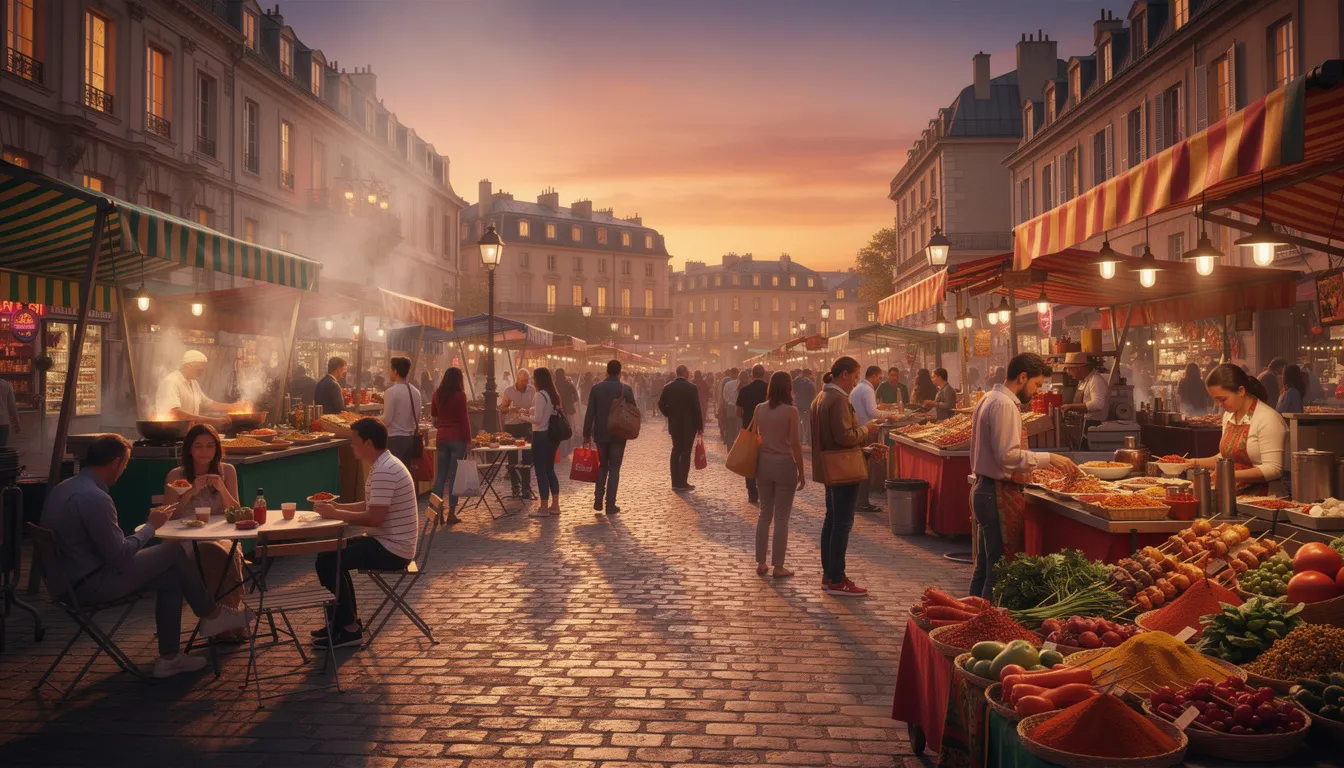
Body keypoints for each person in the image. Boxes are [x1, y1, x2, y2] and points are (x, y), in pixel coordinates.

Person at [40, 434, 250, 677]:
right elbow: (119, 556)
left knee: (171, 575)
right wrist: (151, 526)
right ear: (117, 463)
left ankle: (170, 659)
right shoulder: (95, 498)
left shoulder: (64, 488)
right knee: (171, 550)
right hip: (91, 584)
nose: (123, 471)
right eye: (126, 465)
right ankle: (212, 614)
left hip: (66, 583)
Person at [969, 353, 1079, 598]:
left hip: (985, 489)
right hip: (995, 492)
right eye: (1037, 384)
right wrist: (1048, 458)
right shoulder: (1004, 405)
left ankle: (971, 617)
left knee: (985, 567)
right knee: (997, 570)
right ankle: (986, 622)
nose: (1037, 391)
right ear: (1022, 377)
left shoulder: (989, 397)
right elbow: (1007, 456)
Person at [311, 418, 420, 649]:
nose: (352, 446)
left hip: (393, 549)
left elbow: (374, 518)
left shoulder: (384, 470)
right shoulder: (383, 464)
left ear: (368, 443)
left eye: (354, 441)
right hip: (388, 542)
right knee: (328, 555)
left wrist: (336, 513)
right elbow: (370, 506)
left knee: (329, 560)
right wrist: (335, 509)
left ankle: (348, 628)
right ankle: (344, 622)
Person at [162, 424, 247, 641]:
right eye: (198, 446)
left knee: (228, 552)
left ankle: (228, 616)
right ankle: (226, 620)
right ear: (189, 449)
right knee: (209, 553)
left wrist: (222, 489)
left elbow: (236, 512)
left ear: (217, 449)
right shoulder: (176, 475)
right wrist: (190, 492)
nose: (204, 452)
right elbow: (169, 516)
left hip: (220, 533)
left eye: (210, 446)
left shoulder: (227, 471)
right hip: (186, 536)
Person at [811, 358, 880, 597]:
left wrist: (864, 450)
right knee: (842, 523)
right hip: (842, 469)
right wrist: (866, 430)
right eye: (854, 376)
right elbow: (844, 436)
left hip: (831, 467)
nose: (855, 382)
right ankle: (837, 577)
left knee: (832, 521)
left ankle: (830, 574)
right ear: (843, 374)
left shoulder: (821, 397)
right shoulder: (838, 399)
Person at [1188, 363, 1288, 497]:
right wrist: (1191, 462)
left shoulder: (1268, 418)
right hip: (1233, 495)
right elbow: (1226, 457)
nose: (1219, 405)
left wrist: (1228, 475)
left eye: (1223, 399)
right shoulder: (1229, 415)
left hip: (1264, 499)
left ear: (1241, 391)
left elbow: (1273, 469)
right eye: (1215, 400)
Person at [753, 371, 805, 579]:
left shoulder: (759, 408)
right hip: (784, 465)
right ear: (788, 388)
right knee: (782, 517)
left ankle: (761, 562)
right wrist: (801, 471)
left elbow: (757, 437)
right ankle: (779, 566)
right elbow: (795, 444)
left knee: (764, 514)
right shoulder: (791, 411)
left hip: (763, 464)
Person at [583, 359, 637, 515]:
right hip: (619, 433)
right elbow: (633, 411)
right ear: (620, 372)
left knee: (602, 466)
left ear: (606, 371)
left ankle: (598, 500)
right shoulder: (625, 389)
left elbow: (590, 412)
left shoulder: (596, 388)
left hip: (600, 434)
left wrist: (586, 433)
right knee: (615, 468)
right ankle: (610, 504)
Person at [155, 350, 245, 429]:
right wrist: (215, 421)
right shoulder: (171, 382)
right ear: (189, 366)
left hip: (189, 433)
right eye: (199, 370)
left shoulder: (193, 382)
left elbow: (207, 403)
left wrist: (232, 407)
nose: (201, 374)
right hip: (172, 434)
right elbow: (175, 413)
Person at [430, 367, 470, 520]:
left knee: (440, 475)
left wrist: (442, 428)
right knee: (454, 476)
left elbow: (434, 419)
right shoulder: (460, 396)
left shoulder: (436, 395)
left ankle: (436, 510)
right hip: (457, 439)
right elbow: (464, 419)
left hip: (442, 437)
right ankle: (451, 513)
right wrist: (468, 440)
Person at [524, 367, 563, 518]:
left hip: (540, 436)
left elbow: (539, 420)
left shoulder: (540, 395)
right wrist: (529, 411)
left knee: (541, 472)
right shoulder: (553, 394)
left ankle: (544, 507)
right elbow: (545, 412)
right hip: (552, 437)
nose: (533, 380)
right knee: (550, 470)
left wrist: (523, 418)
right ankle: (555, 505)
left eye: (534, 377)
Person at [658, 365, 703, 491]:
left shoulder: (668, 387)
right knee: (686, 452)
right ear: (685, 373)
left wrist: (669, 414)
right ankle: (682, 481)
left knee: (676, 450)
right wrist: (700, 426)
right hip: (689, 425)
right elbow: (696, 408)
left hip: (675, 424)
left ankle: (675, 481)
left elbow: (660, 403)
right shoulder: (691, 387)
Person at [849, 365, 886, 514]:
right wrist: (889, 415)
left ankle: (859, 500)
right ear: (873, 376)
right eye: (879, 377)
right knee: (865, 467)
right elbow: (872, 411)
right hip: (865, 431)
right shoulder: (868, 389)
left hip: (858, 430)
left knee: (861, 466)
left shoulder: (858, 388)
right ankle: (863, 502)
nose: (879, 381)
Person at [499, 370, 536, 499]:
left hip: (526, 425)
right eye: (522, 381)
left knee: (527, 457)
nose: (524, 383)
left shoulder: (532, 390)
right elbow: (502, 409)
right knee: (512, 458)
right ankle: (515, 486)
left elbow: (535, 407)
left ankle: (526, 487)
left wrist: (529, 412)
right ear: (517, 379)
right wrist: (509, 409)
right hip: (512, 426)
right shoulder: (508, 391)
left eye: (526, 381)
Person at [736, 365, 770, 505]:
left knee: (749, 461)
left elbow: (738, 412)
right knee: (765, 460)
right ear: (764, 374)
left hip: (749, 429)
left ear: (751, 374)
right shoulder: (769, 389)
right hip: (767, 429)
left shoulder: (744, 390)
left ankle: (752, 493)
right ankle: (765, 491)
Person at [381, 356, 422, 468]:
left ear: (395, 371)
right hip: (409, 440)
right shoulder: (416, 392)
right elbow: (418, 417)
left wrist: (374, 421)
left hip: (395, 439)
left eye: (390, 370)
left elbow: (387, 419)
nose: (389, 373)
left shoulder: (391, 392)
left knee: (392, 473)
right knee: (404, 475)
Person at [1061, 352, 1109, 427]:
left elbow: (1098, 404)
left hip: (1093, 425)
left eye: (1070, 369)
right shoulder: (1082, 381)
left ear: (1079, 368)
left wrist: (1070, 407)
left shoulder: (1096, 380)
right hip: (1082, 423)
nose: (1068, 373)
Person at [556, 368, 580, 457]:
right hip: (569, 411)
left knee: (558, 430)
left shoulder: (553, 385)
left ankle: (558, 450)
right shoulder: (569, 385)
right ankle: (567, 450)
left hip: (556, 412)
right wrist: (570, 402)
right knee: (568, 430)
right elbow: (576, 398)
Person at [793, 369, 816, 444]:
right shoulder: (810, 383)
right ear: (808, 374)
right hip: (808, 405)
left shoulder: (796, 381)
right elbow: (813, 394)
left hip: (798, 405)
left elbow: (793, 391)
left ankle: (800, 440)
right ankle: (808, 440)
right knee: (807, 424)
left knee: (798, 423)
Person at [720, 369, 741, 446]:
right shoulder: (740, 383)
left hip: (730, 408)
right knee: (738, 429)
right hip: (739, 408)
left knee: (730, 430)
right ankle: (737, 447)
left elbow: (724, 397)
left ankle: (730, 449)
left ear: (731, 374)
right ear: (738, 374)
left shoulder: (727, 384)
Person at [0, 374, 19, 446]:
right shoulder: (6, 385)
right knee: (2, 450)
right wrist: (16, 423)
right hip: (3, 422)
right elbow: (12, 407)